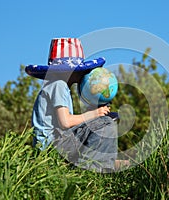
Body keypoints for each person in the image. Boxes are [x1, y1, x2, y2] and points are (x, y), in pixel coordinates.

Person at [26, 38, 118, 172]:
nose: (83, 74)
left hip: (55, 145)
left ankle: (105, 163)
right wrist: (95, 114)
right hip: (52, 148)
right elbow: (65, 122)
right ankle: (90, 167)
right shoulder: (59, 85)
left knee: (106, 122)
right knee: (105, 122)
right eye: (80, 70)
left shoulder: (56, 86)